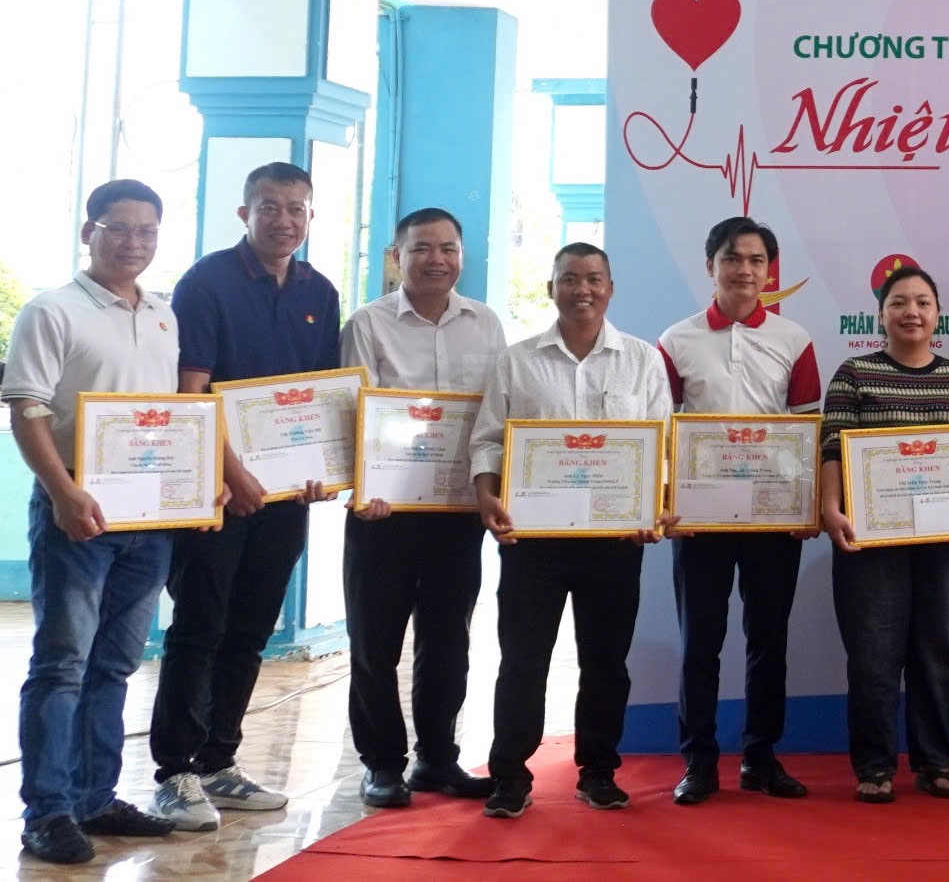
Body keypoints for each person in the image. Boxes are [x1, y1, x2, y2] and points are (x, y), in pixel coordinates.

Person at [6, 181, 191, 863]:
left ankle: (94, 796)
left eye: (147, 231)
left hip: (150, 519)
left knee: (114, 664)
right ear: (90, 232)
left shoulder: (164, 314)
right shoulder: (52, 310)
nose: (133, 242)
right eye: (119, 228)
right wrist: (61, 493)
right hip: (76, 513)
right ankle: (48, 811)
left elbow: (173, 419)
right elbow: (26, 408)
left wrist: (191, 494)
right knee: (63, 664)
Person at [152, 161, 340, 831]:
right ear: (245, 213)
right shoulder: (207, 282)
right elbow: (191, 393)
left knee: (251, 630)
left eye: (296, 208)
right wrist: (230, 473)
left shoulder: (320, 289)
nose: (283, 220)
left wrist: (321, 470)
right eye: (269, 207)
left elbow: (320, 397)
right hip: (214, 492)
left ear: (311, 216)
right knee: (199, 628)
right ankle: (175, 772)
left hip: (284, 498)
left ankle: (218, 762)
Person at [470, 244, 674, 818]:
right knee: (523, 660)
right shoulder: (517, 361)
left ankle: (599, 771)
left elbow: (662, 443)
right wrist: (486, 494)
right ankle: (510, 775)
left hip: (615, 541)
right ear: (551, 287)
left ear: (611, 288)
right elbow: (489, 438)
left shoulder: (642, 360)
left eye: (593, 279)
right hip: (532, 541)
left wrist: (655, 506)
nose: (582, 290)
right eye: (569, 279)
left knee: (606, 662)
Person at [339, 208, 508, 808]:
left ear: (462, 254)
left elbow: (496, 415)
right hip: (382, 511)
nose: (436, 259)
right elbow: (354, 411)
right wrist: (364, 485)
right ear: (396, 256)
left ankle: (437, 758)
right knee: (375, 643)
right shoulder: (367, 323)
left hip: (456, 511)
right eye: (421, 248)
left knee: (447, 642)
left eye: (448, 248)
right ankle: (382, 764)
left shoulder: (486, 323)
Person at [818, 265, 949, 803]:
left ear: (938, 314)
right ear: (881, 315)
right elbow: (832, 447)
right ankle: (874, 767)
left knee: (937, 653)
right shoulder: (854, 373)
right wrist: (830, 509)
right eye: (899, 302)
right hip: (870, 540)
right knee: (873, 657)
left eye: (922, 302)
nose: (911, 312)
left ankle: (936, 762)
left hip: (942, 543)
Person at [657, 217, 823, 806]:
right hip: (699, 519)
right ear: (711, 266)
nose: (744, 270)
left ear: (769, 271)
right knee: (700, 643)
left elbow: (807, 431)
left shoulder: (794, 339)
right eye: (732, 258)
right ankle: (698, 762)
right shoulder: (675, 340)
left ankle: (760, 756)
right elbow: (663, 431)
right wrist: (668, 499)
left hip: (772, 519)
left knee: (768, 640)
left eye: (756, 260)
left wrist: (804, 508)